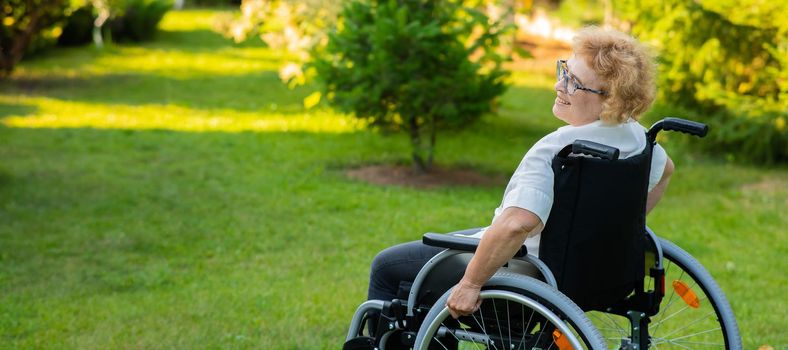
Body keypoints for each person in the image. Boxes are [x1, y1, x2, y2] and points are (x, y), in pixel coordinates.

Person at [366, 27, 675, 321]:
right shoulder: (637, 138)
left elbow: (518, 223)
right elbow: (665, 170)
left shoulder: (559, 150)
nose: (558, 85)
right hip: (592, 272)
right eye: (563, 71)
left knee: (387, 266)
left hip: (528, 269)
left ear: (609, 99)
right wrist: (616, 230)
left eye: (573, 82)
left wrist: (470, 284)